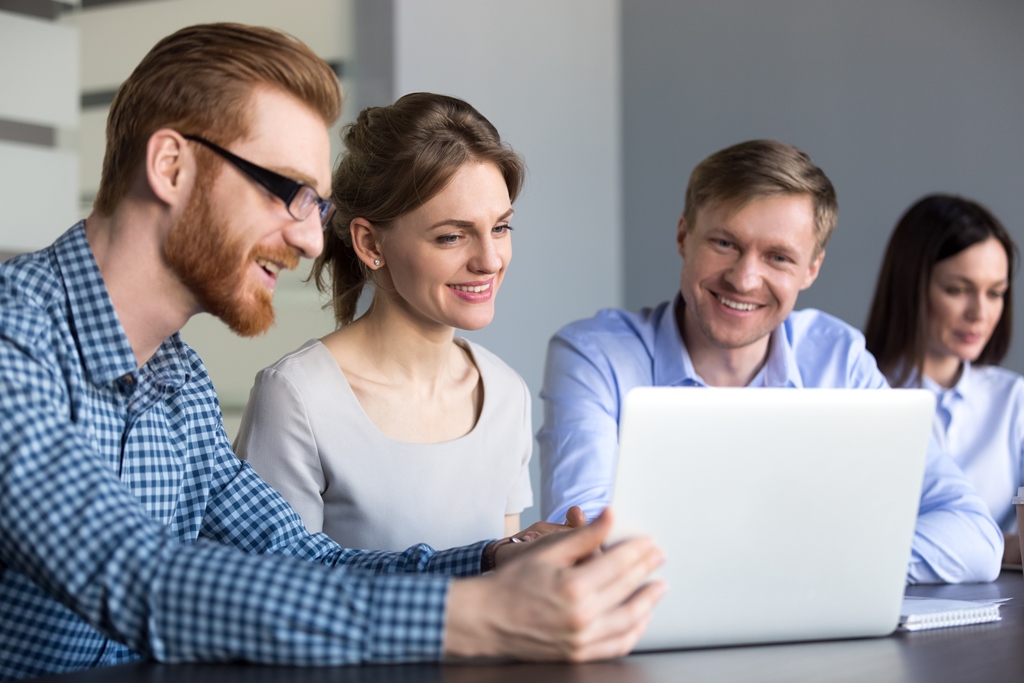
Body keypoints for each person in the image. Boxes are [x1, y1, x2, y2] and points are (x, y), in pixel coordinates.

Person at [0, 23, 665, 680]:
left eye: (313, 205)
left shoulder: (179, 382)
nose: (312, 241)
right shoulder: (12, 339)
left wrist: (495, 561)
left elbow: (299, 559)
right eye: (284, 190)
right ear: (171, 166)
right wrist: (477, 616)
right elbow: (139, 573)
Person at [538, 139, 1003, 584]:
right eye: (725, 243)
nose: (744, 279)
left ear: (811, 269)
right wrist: (820, 561)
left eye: (778, 257)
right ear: (684, 236)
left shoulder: (838, 360)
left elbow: (975, 537)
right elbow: (581, 545)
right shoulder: (594, 356)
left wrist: (796, 564)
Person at [235, 93, 534, 552]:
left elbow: (506, 578)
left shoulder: (507, 395)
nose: (490, 261)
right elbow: (274, 588)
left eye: (500, 228)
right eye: (452, 236)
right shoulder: (298, 397)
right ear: (371, 244)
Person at [865, 194, 1023, 566]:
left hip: (996, 601)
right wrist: (994, 548)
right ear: (910, 286)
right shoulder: (855, 391)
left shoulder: (1013, 400)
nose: (979, 313)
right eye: (957, 290)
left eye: (995, 293)